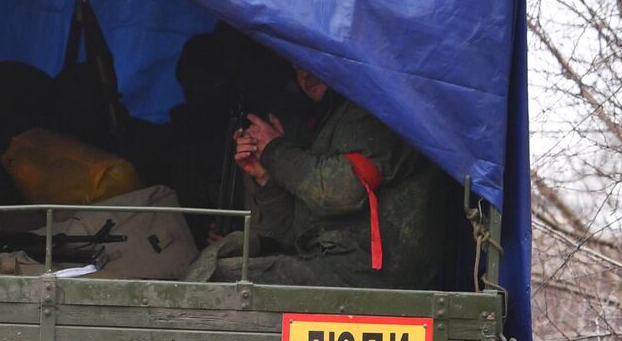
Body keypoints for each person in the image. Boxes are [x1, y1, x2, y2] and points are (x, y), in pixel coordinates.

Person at [186, 65, 459, 288]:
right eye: (296, 65)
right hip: (338, 267)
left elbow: (338, 193)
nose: (304, 74)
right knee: (224, 261)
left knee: (221, 280)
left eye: (313, 61)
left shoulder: (377, 112)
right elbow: (294, 237)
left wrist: (275, 150)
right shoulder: (332, 120)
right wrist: (266, 177)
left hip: (370, 274)